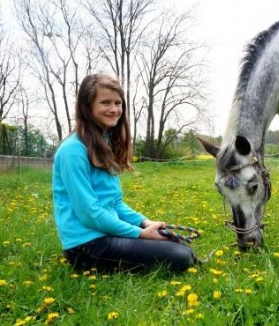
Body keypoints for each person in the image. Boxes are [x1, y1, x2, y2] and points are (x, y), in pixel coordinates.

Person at [52, 73, 194, 273]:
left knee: (178, 247)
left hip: (105, 235)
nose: (114, 109)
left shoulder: (103, 145)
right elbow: (89, 214)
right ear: (87, 106)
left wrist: (145, 223)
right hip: (86, 247)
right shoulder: (72, 151)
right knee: (181, 255)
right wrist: (140, 234)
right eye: (105, 103)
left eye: (118, 103)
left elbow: (115, 203)